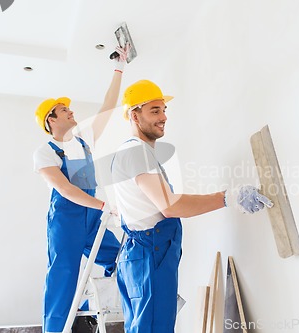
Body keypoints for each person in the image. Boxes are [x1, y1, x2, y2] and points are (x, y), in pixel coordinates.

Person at [111, 79, 273, 333]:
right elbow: (170, 207)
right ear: (134, 115)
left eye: (164, 110)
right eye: (155, 110)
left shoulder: (136, 153)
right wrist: (227, 198)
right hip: (148, 255)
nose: (163, 117)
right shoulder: (136, 153)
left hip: (143, 254)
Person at [33, 46, 129, 333]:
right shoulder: (46, 151)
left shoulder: (85, 139)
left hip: (91, 218)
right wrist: (102, 206)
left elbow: (108, 107)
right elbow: (63, 189)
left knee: (121, 257)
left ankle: (115, 312)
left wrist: (120, 68)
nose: (70, 110)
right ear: (51, 119)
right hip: (66, 219)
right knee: (63, 277)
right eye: (64, 109)